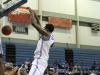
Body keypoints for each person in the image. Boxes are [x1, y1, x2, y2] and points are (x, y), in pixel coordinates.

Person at [27, 7, 55, 75]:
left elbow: (34, 24)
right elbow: (39, 26)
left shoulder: (46, 35)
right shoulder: (50, 36)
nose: (43, 28)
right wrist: (36, 16)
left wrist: (31, 13)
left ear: (47, 29)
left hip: (40, 60)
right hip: (43, 61)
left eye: (44, 28)